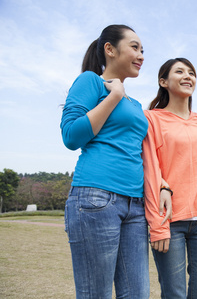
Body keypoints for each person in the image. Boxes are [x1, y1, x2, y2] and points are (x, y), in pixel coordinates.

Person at [60, 24, 171, 298]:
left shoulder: (135, 105)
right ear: (110, 49)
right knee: (95, 294)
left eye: (143, 50)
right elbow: (71, 136)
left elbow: (142, 152)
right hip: (96, 199)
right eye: (134, 47)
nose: (141, 55)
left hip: (135, 205)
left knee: (137, 294)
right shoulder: (91, 82)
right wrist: (114, 96)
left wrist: (163, 185)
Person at [142, 58, 197, 298]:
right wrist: (157, 224)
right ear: (163, 81)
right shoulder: (150, 119)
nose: (188, 76)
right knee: (173, 293)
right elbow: (149, 166)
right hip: (170, 219)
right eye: (180, 72)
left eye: (192, 73)